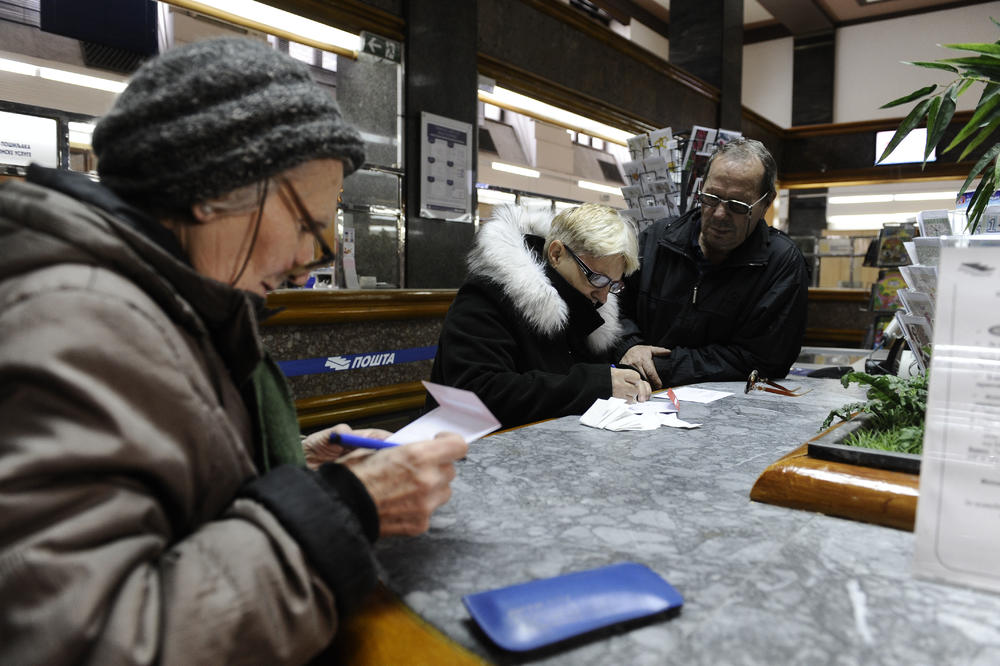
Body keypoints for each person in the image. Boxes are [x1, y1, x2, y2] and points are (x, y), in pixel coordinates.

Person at [0, 38, 467, 665]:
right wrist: (341, 509)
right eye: (307, 225)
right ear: (213, 187)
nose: (310, 263)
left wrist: (288, 468)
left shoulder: (155, 302)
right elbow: (86, 641)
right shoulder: (72, 321)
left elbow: (161, 492)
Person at [428, 203, 650, 428]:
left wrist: (624, 378)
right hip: (464, 447)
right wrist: (597, 384)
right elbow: (479, 392)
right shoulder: (489, 295)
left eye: (613, 284)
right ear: (556, 254)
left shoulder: (586, 304)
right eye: (597, 278)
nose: (603, 297)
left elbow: (594, 371)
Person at [616, 138, 808, 389]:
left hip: (729, 413)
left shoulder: (782, 265)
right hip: (635, 397)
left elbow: (766, 358)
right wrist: (632, 346)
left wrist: (663, 366)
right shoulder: (656, 240)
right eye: (711, 198)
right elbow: (612, 308)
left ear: (766, 203)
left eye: (738, 206)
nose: (719, 214)